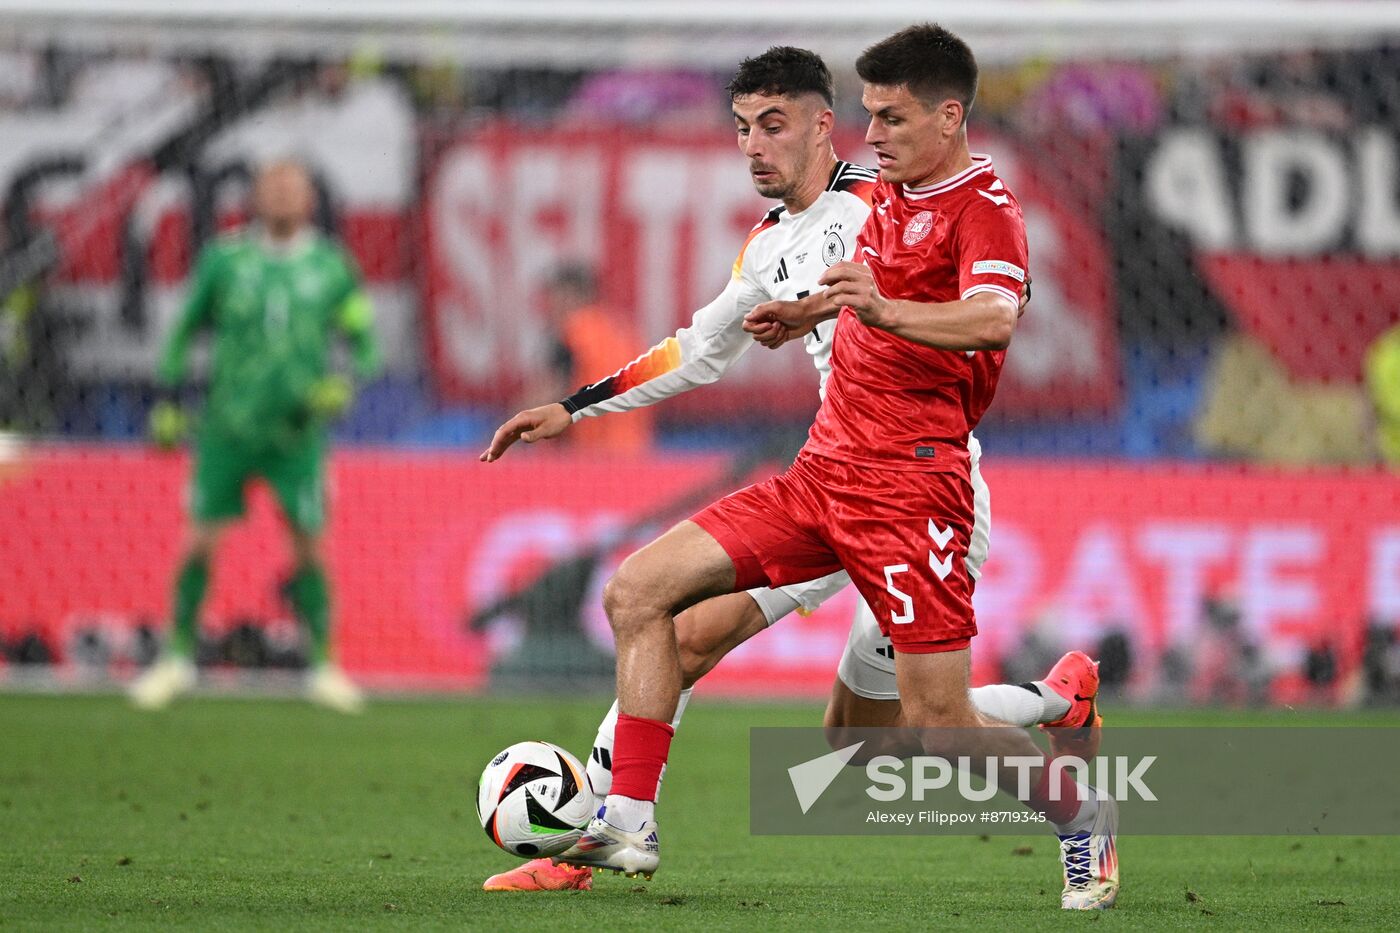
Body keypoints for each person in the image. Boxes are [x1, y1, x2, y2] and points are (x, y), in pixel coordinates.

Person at [480, 45, 1104, 900]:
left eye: (772, 126)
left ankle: (1054, 717)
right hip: (823, 479)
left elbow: (986, 309)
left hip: (916, 493)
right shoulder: (771, 243)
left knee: (891, 737)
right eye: (741, 129)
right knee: (669, 618)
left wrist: (862, 306)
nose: (752, 147)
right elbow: (697, 351)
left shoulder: (887, 202)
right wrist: (575, 406)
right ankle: (609, 821)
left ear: (822, 124)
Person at [129, 160, 379, 714]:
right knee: (199, 540)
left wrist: (344, 382)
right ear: (255, 198)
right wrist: (169, 400)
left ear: (311, 199)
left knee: (310, 547)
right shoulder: (225, 259)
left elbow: (364, 340)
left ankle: (324, 665)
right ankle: (175, 658)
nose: (283, 194)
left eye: (294, 186)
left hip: (297, 436)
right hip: (226, 430)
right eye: (272, 186)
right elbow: (183, 333)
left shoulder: (332, 267)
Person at [525, 263, 654, 453]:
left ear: (573, 295)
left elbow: (546, 395)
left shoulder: (573, 332)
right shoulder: (627, 335)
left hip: (590, 455)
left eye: (555, 297)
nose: (550, 307)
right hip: (635, 453)